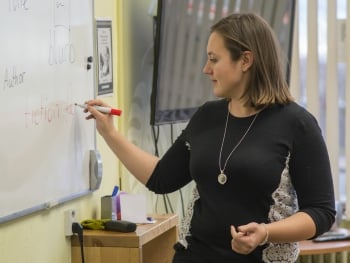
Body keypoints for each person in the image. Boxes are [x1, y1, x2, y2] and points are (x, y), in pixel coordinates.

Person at [83, 13, 335, 263]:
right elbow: (162, 178)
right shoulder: (207, 115)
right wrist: (110, 133)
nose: (206, 69)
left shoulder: (297, 124)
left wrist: (265, 233)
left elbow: (321, 213)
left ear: (245, 60)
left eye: (214, 59)